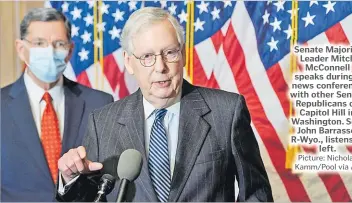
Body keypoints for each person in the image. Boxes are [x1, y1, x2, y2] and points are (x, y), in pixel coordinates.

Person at [56, 7, 273, 202]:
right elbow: (91, 198)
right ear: (129, 62)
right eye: (147, 56)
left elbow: (257, 194)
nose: (161, 66)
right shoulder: (102, 123)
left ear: (183, 55)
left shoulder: (227, 111)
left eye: (170, 53)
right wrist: (69, 178)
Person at [0, 8, 114, 202]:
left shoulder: (101, 103)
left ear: (69, 51)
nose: (50, 51)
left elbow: (106, 179)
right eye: (39, 43)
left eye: (59, 44)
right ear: (21, 49)